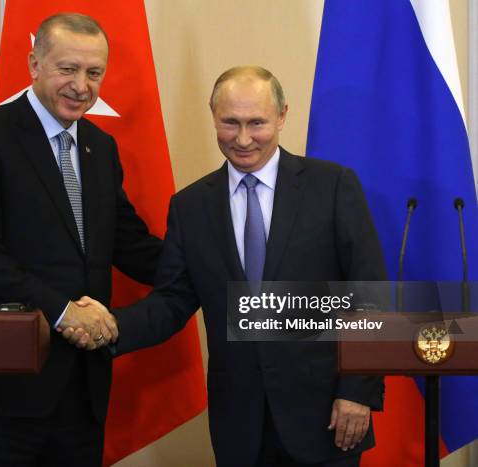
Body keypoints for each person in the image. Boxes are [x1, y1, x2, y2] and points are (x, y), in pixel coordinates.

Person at [67, 66, 387, 466]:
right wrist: (107, 328)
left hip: (326, 416)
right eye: (230, 123)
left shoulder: (334, 186)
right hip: (240, 422)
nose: (243, 138)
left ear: (282, 116)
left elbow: (370, 293)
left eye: (257, 123)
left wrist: (357, 391)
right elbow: (172, 300)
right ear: (213, 116)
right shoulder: (191, 206)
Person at [0, 13, 162, 467]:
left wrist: (213, 262)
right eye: (68, 69)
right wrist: (64, 312)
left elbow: (128, 243)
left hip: (81, 390)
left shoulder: (100, 148)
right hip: (2, 391)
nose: (81, 85)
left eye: (94, 72)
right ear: (34, 63)